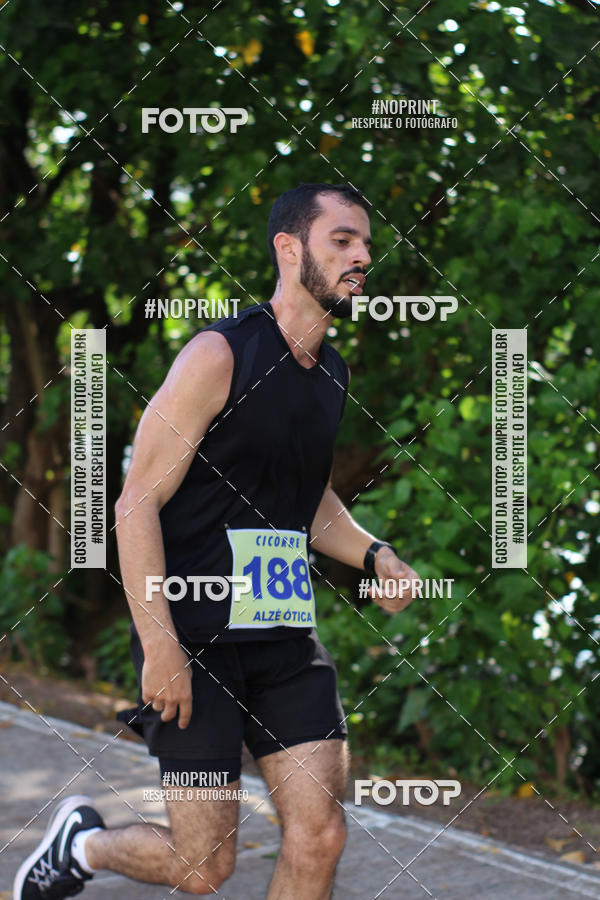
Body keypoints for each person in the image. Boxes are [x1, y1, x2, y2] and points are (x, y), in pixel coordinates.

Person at [14, 182, 419, 899]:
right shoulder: (219, 354)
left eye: (365, 242)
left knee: (320, 835)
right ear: (289, 249)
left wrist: (375, 553)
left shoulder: (331, 374)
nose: (363, 256)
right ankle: (86, 847)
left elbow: (308, 499)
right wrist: (160, 641)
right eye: (343, 241)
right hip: (194, 632)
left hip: (285, 638)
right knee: (203, 867)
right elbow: (136, 501)